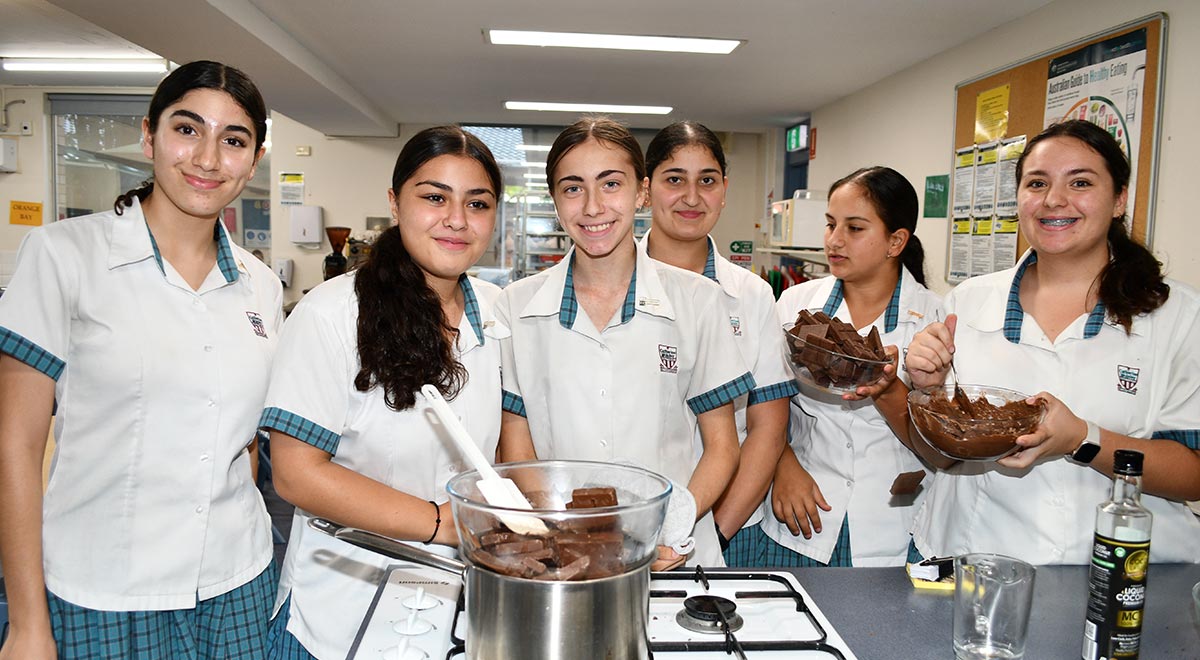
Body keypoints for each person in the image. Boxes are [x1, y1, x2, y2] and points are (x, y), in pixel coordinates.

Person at [0, 60, 279, 659]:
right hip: (102, 589)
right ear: (150, 136)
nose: (208, 159)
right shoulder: (62, 256)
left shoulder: (262, 286)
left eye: (234, 141)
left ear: (253, 161)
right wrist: (27, 624)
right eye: (187, 130)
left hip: (237, 584)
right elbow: (14, 446)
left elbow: (246, 442)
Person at [905, 119, 1200, 564]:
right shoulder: (967, 302)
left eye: (1080, 182)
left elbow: (1193, 475)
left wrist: (1084, 439)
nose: (1054, 200)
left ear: (1120, 199)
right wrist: (927, 390)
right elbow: (939, 457)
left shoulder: (1178, 314)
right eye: (1036, 183)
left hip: (1118, 572)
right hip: (972, 557)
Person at [260, 126, 506, 659]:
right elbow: (297, 473)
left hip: (462, 608)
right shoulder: (332, 314)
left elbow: (501, 445)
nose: (456, 220)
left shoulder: (494, 312)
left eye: (478, 203)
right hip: (342, 613)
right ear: (395, 202)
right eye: (434, 197)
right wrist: (442, 522)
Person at [496, 117, 752, 567]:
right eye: (573, 188)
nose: (593, 207)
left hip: (676, 553)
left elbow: (722, 446)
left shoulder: (698, 301)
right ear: (555, 201)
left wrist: (670, 527)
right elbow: (518, 445)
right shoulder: (517, 307)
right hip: (564, 553)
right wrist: (556, 534)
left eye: (610, 183)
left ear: (642, 193)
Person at [755, 166, 942, 567]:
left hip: (892, 523)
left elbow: (941, 447)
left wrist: (891, 390)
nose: (834, 241)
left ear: (896, 241)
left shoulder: (934, 319)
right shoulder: (794, 305)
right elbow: (765, 403)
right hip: (801, 509)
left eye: (855, 228)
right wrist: (782, 465)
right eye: (830, 224)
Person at [640, 121, 797, 566]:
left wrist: (717, 533)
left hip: (730, 521)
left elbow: (768, 429)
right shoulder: (613, 283)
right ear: (647, 189)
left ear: (724, 189)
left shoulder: (751, 295)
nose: (692, 197)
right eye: (675, 180)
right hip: (632, 524)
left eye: (707, 181)